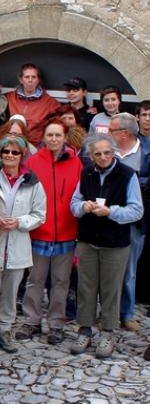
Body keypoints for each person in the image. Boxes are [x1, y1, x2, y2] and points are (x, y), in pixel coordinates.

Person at [69, 135, 143, 358]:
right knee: (86, 287)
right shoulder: (87, 173)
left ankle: (108, 332)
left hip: (115, 242)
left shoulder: (127, 175)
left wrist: (111, 212)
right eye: (97, 154)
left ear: (114, 153)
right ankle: (85, 329)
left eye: (106, 152)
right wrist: (84, 206)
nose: (102, 157)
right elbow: (74, 204)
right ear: (91, 156)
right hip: (88, 240)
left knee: (111, 290)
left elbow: (137, 210)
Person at [16, 119, 82, 344]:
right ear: (44, 137)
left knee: (61, 282)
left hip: (66, 232)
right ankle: (31, 320)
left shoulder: (76, 163)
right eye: (50, 135)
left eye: (58, 135)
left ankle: (56, 323)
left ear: (65, 137)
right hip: (39, 232)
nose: (53, 139)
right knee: (35, 280)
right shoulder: (34, 162)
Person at [0, 136, 46, 354]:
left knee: (10, 292)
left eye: (14, 152)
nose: (9, 155)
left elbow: (39, 214)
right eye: (6, 151)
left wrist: (19, 222)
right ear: (0, 154)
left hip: (17, 243)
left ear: (22, 155)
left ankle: (5, 330)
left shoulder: (32, 183)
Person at [108, 113, 146, 331]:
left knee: (128, 270)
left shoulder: (145, 154)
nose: (108, 133)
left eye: (112, 130)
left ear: (124, 134)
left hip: (134, 222)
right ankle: (108, 311)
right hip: (106, 218)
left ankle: (127, 312)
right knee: (107, 271)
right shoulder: (107, 152)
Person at [0, 63, 61, 145]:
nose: (30, 80)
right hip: (11, 145)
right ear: (21, 79)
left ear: (38, 80)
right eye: (27, 77)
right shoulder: (10, 97)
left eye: (34, 77)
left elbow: (64, 118)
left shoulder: (49, 102)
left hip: (33, 147)